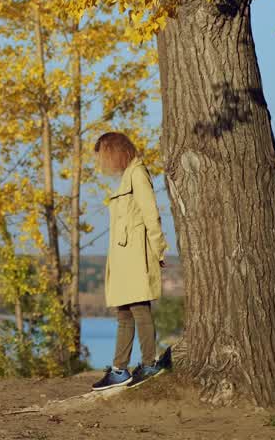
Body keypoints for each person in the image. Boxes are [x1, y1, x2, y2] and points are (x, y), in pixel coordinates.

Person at [90, 131, 169, 391]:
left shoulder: (137, 174)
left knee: (138, 308)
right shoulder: (127, 177)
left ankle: (149, 363)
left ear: (116, 151)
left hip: (136, 256)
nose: (105, 164)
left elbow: (150, 214)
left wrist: (159, 249)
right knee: (123, 313)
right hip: (125, 258)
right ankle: (119, 369)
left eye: (106, 156)